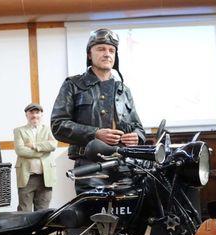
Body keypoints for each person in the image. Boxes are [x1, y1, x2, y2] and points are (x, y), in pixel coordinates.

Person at [51, 28, 145, 194]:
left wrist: (137, 136)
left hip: (125, 166)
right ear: (89, 54)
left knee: (131, 209)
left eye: (111, 50)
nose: (107, 54)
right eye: (101, 49)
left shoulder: (124, 90)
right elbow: (58, 125)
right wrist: (95, 133)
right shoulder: (73, 85)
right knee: (94, 209)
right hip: (90, 167)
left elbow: (138, 127)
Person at [14, 103, 58, 211]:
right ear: (26, 115)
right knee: (24, 211)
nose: (34, 115)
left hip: (45, 177)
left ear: (41, 114)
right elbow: (20, 150)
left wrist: (34, 146)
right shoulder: (19, 130)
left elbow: (53, 145)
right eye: (31, 113)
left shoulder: (48, 129)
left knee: (43, 212)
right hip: (27, 177)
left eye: (37, 113)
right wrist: (42, 152)